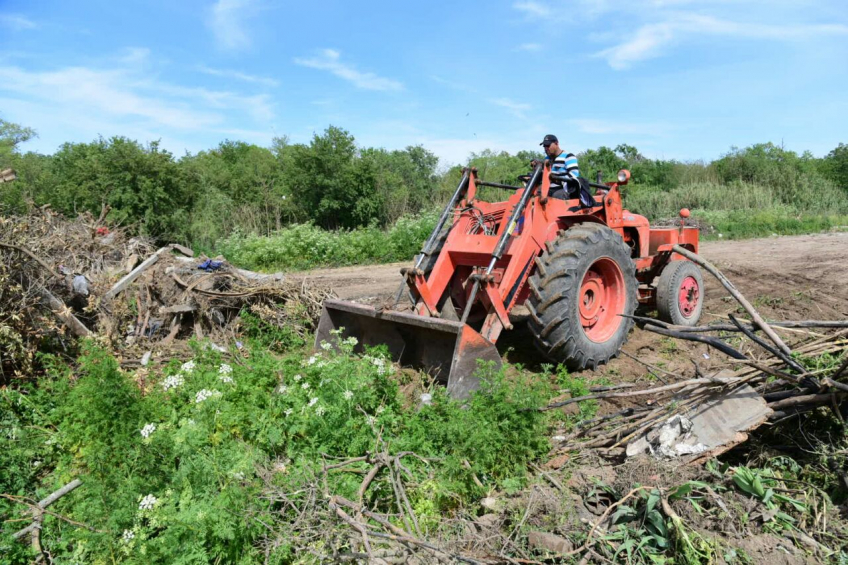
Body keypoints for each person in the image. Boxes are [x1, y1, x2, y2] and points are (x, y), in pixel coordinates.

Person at [540, 134, 581, 201]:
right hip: (549, 188)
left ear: (556, 144)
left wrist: (557, 179)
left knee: (557, 196)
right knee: (536, 194)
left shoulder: (568, 156)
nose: (546, 148)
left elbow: (574, 176)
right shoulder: (546, 159)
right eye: (544, 146)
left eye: (548, 145)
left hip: (563, 188)